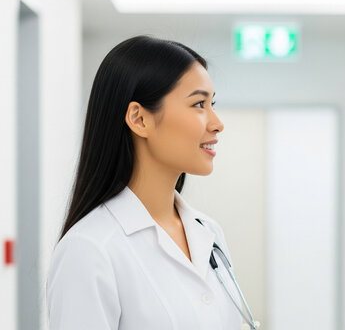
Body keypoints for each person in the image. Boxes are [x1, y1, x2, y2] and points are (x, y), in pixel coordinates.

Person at [47, 36, 251, 329]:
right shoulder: (90, 249)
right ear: (139, 119)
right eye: (198, 104)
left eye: (212, 103)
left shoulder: (209, 232)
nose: (217, 122)